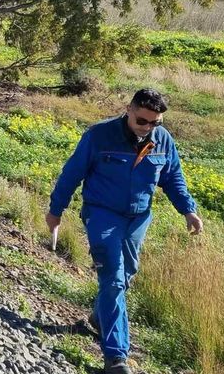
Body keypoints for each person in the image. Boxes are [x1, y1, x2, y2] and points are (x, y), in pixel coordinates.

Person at [46, 89, 203, 374]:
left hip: (138, 219)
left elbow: (173, 177)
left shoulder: (162, 140)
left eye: (156, 123)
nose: (149, 128)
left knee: (125, 275)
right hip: (102, 214)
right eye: (143, 121)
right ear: (128, 109)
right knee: (114, 279)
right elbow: (72, 173)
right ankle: (116, 357)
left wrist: (188, 210)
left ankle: (99, 317)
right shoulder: (99, 136)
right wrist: (56, 211)